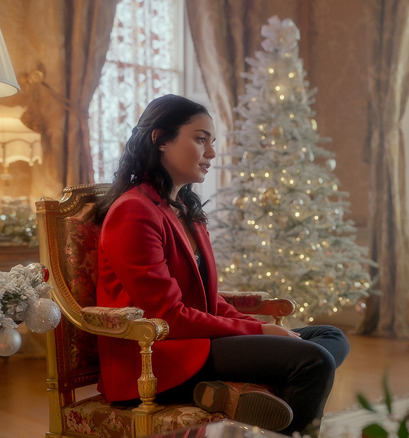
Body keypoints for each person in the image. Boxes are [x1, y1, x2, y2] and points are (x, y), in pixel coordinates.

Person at [95, 94, 349, 436]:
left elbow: (209, 300)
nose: (212, 153)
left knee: (329, 337)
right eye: (201, 139)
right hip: (157, 356)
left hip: (197, 342)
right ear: (160, 140)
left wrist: (259, 327)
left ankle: (227, 395)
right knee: (313, 361)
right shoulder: (134, 211)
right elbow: (167, 316)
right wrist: (260, 331)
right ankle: (238, 400)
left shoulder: (186, 211)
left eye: (212, 142)